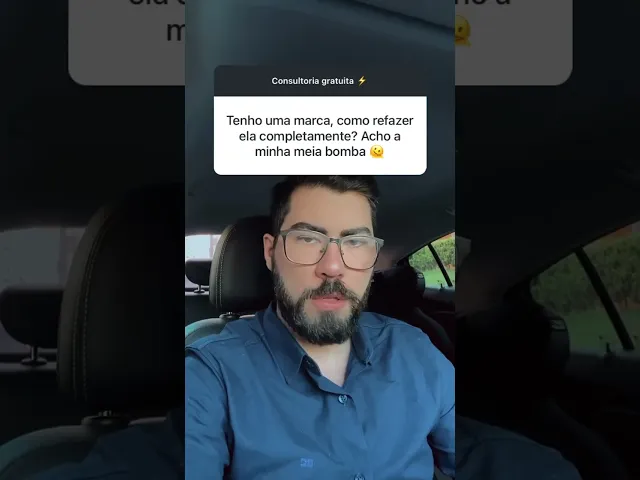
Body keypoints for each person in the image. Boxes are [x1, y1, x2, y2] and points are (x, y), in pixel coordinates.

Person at [185, 176, 456, 479]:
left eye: (355, 242)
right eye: (308, 239)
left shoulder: (414, 349)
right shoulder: (211, 374)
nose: (333, 267)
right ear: (270, 253)